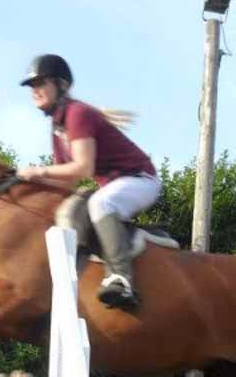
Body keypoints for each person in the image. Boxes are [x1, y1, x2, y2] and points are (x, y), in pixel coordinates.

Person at [16, 54, 161, 309]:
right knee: (72, 208)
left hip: (141, 180)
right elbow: (65, 181)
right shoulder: (58, 126)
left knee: (101, 204)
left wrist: (38, 172)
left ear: (61, 85)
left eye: (41, 84)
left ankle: (122, 279)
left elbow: (83, 168)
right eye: (32, 86)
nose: (34, 91)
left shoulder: (77, 114)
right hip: (117, 184)